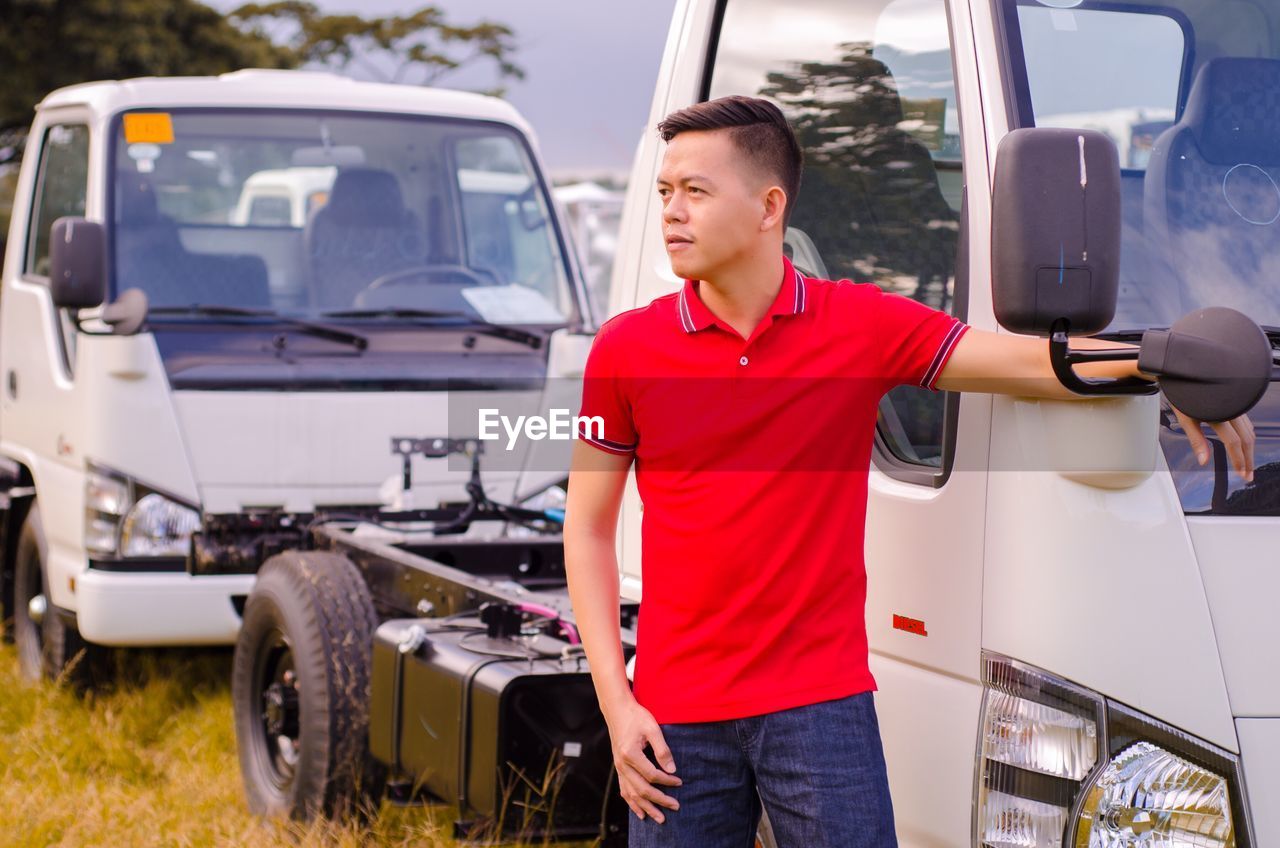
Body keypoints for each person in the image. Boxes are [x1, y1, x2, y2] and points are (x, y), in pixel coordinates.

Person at [562, 95, 1255, 848]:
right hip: (674, 715)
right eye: (665, 192)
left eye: (695, 191)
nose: (672, 211)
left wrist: (1162, 363)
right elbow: (588, 531)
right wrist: (617, 703)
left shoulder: (855, 325)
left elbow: (1020, 364)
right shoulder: (625, 352)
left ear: (769, 207)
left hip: (820, 709)